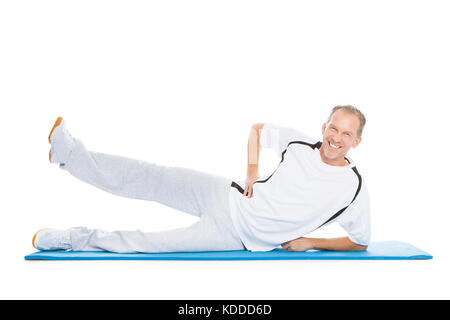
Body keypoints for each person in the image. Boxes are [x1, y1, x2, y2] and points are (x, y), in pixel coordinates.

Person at [32, 105, 370, 253]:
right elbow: (257, 130)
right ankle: (70, 155)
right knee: (152, 177)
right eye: (333, 128)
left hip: (234, 237)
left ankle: (73, 240)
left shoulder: (352, 189)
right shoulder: (298, 143)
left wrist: (311, 241)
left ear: (356, 141)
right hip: (226, 195)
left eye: (346, 134)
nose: (336, 138)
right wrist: (252, 171)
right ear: (323, 127)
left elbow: (360, 242)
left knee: (149, 245)